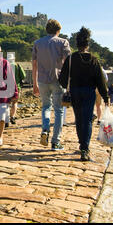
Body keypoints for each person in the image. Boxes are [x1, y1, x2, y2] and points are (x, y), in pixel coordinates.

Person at [59, 27, 109, 161]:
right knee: (87, 120)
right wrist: (105, 97)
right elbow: (100, 80)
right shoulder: (93, 59)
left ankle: (82, 144)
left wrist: (67, 86)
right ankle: (85, 148)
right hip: (89, 92)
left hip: (75, 92)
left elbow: (62, 79)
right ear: (87, 44)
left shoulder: (71, 59)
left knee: (79, 119)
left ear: (77, 44)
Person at [32, 19, 71, 150]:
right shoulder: (63, 42)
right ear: (58, 30)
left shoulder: (37, 43)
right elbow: (68, 63)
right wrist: (69, 83)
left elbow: (34, 65)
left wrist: (34, 84)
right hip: (58, 80)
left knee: (46, 107)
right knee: (59, 110)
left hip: (42, 81)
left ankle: (45, 129)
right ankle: (56, 141)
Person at [7, 52, 26, 125]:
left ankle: (6, 119)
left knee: (7, 104)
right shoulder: (17, 66)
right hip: (16, 87)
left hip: (6, 88)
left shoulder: (4, 66)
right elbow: (23, 76)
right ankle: (12, 117)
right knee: (14, 102)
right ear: (14, 59)